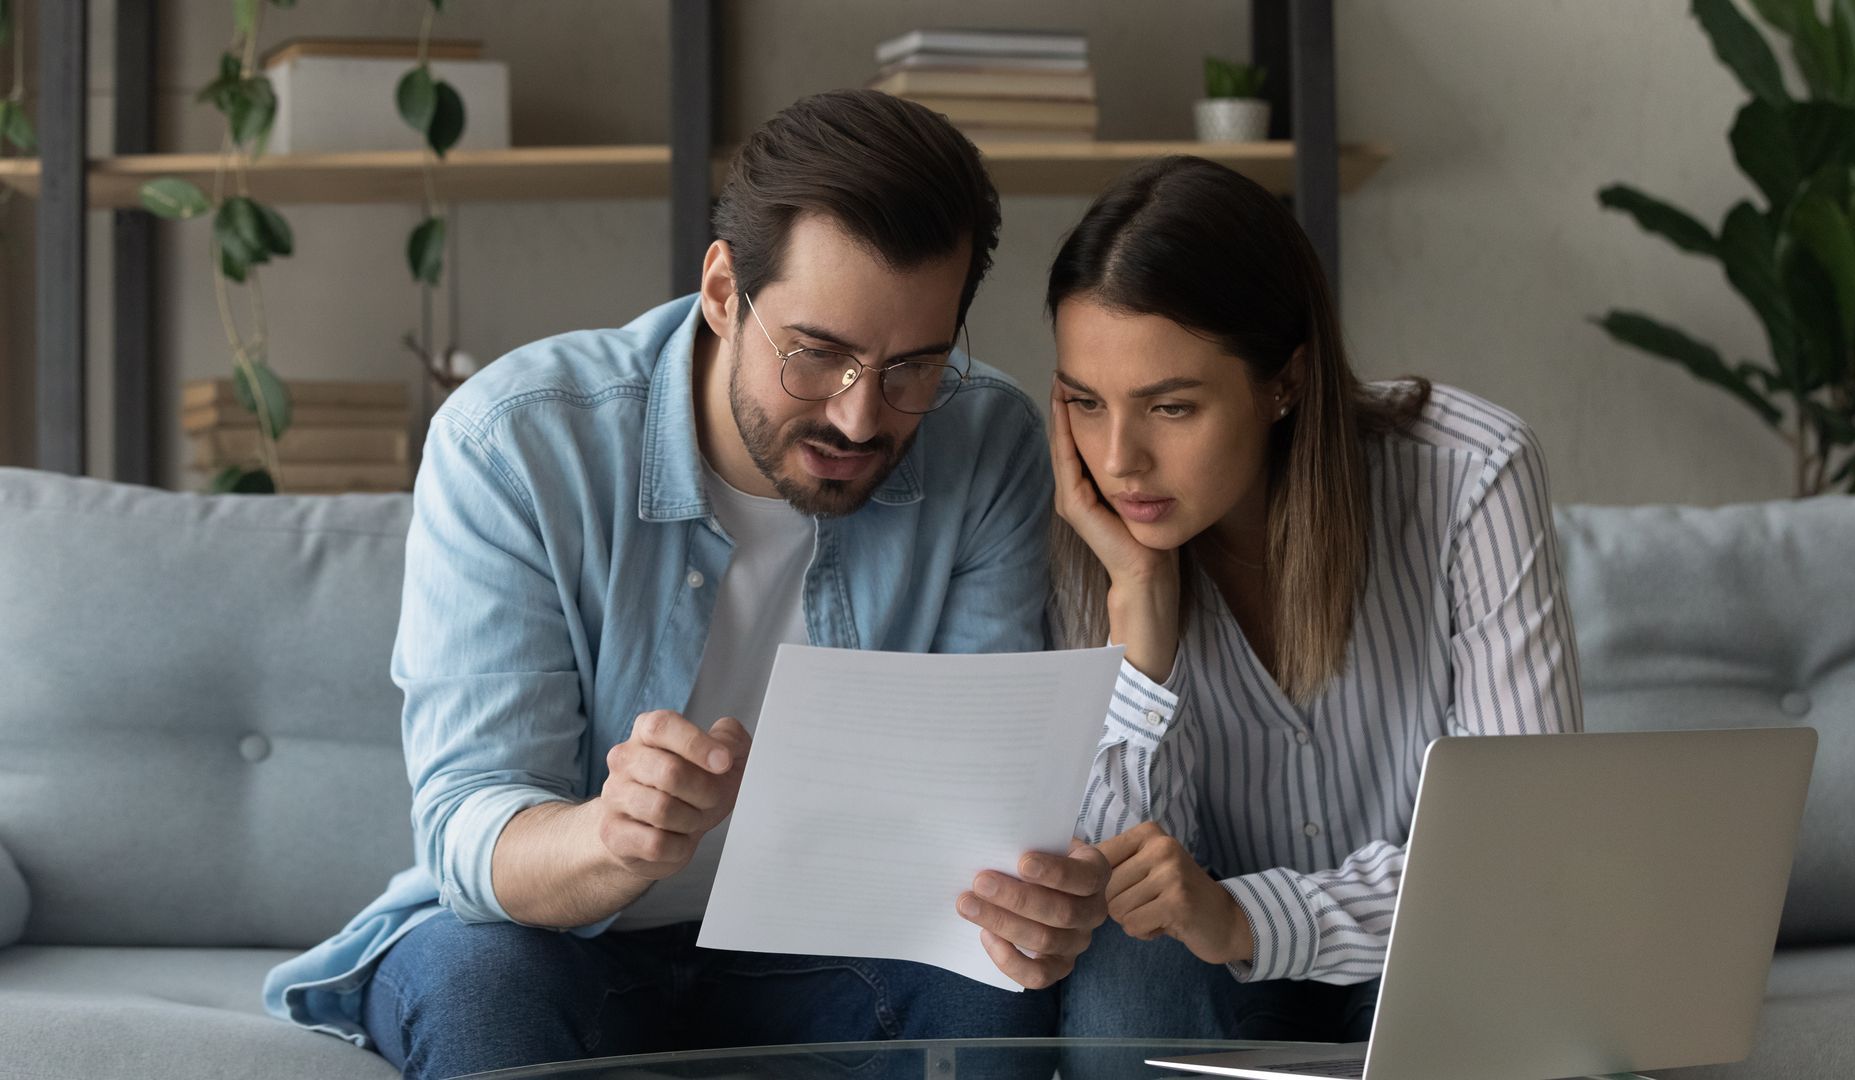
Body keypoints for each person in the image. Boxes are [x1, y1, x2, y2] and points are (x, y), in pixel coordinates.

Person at [262, 89, 1109, 1079]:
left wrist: (1030, 892)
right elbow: (468, 824)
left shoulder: (987, 442)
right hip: (557, 943)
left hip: (824, 958)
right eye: (817, 355)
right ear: (721, 291)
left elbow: (978, 814)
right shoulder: (514, 445)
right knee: (478, 990)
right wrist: (612, 841)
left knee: (992, 994)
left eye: (913, 367)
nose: (860, 418)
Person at [1044, 156, 1583, 1047]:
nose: (1118, 459)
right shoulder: (1083, 528)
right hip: (1205, 979)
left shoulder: (1471, 475)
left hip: (1436, 957)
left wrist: (1252, 917)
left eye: (1170, 408)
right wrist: (1140, 616)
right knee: (1125, 972)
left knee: (1486, 1010)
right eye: (1084, 403)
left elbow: (1521, 848)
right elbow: (1112, 880)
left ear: (1284, 382)